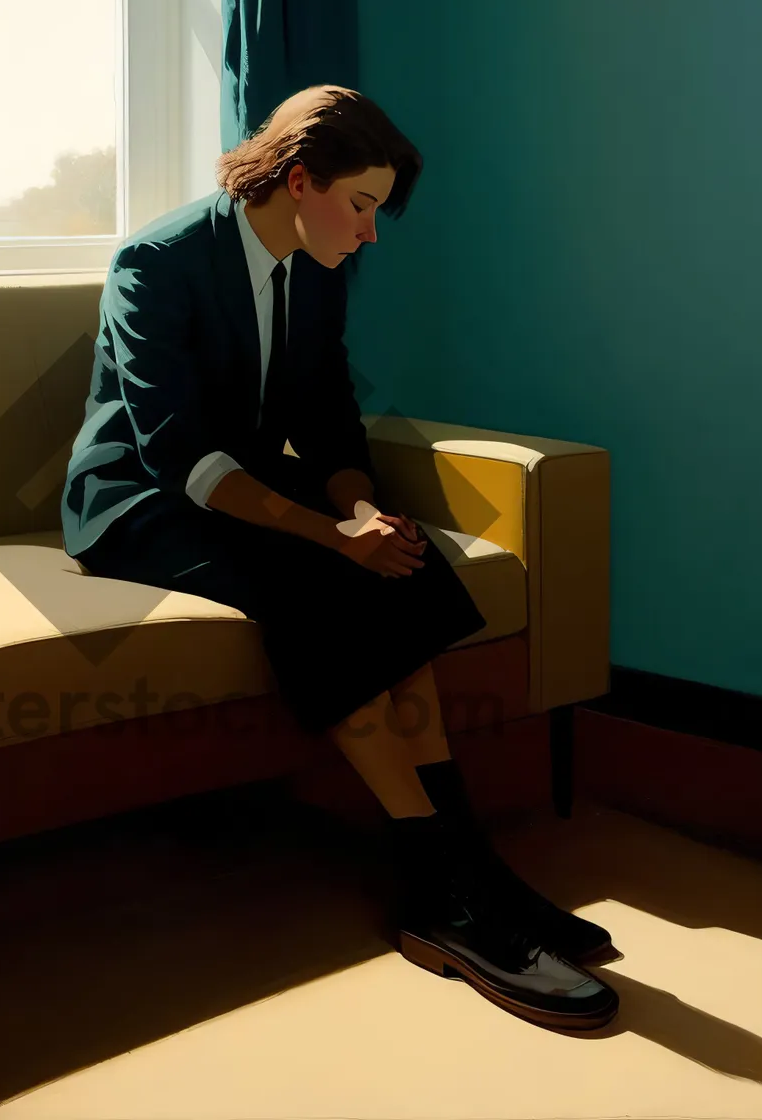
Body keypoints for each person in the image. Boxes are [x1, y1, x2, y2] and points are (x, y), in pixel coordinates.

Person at [62, 84, 619, 1032]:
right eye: (359, 205)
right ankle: (445, 890)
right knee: (321, 585)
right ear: (299, 177)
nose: (368, 234)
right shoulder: (155, 264)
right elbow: (181, 455)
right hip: (140, 502)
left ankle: (465, 867)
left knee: (404, 566)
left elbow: (324, 417)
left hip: (239, 484)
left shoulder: (313, 264)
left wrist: (364, 511)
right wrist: (329, 538)